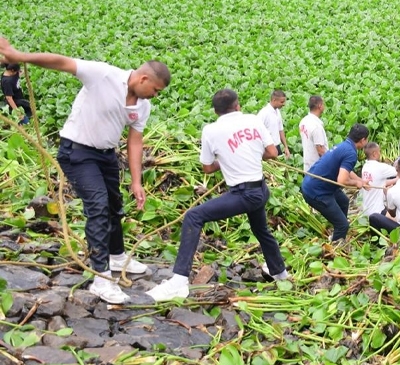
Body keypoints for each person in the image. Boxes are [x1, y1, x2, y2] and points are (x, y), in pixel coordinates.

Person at [0, 36, 170, 304]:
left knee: (114, 206)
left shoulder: (142, 105)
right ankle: (101, 278)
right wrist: (20, 56)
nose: (155, 96)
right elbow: (62, 62)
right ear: (144, 79)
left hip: (106, 155)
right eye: (156, 90)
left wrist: (137, 182)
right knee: (98, 207)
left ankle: (116, 257)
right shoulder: (104, 75)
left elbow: (135, 142)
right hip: (77, 151)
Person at [146, 90, 288, 301]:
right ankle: (280, 274)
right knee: (261, 231)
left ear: (215, 111)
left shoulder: (210, 130)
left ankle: (178, 281)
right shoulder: (252, 120)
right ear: (238, 105)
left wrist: (225, 160)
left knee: (193, 216)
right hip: (260, 189)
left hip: (244, 194)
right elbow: (272, 153)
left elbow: (207, 168)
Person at [301, 124, 370, 242]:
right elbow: (342, 180)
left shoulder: (344, 145)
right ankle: (335, 247)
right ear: (363, 140)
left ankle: (338, 229)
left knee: (344, 201)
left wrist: (360, 180)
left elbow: (346, 170)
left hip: (313, 183)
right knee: (343, 225)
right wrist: (356, 184)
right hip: (316, 191)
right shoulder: (351, 153)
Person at [360, 142, 398, 216]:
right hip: (377, 211)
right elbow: (399, 171)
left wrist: (397, 179)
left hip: (366, 210)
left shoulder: (365, 167)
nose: (380, 153)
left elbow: (380, 182)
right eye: (379, 151)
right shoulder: (380, 167)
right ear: (374, 153)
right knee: (398, 222)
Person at [257, 89, 291, 159]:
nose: (284, 104)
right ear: (274, 100)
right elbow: (256, 131)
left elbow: (280, 130)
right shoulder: (264, 113)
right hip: (268, 148)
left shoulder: (277, 111)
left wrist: (286, 147)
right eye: (282, 102)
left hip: (277, 146)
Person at [298, 95, 328, 172]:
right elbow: (320, 151)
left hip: (307, 164)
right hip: (317, 167)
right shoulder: (316, 126)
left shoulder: (303, 121)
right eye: (323, 104)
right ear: (319, 106)